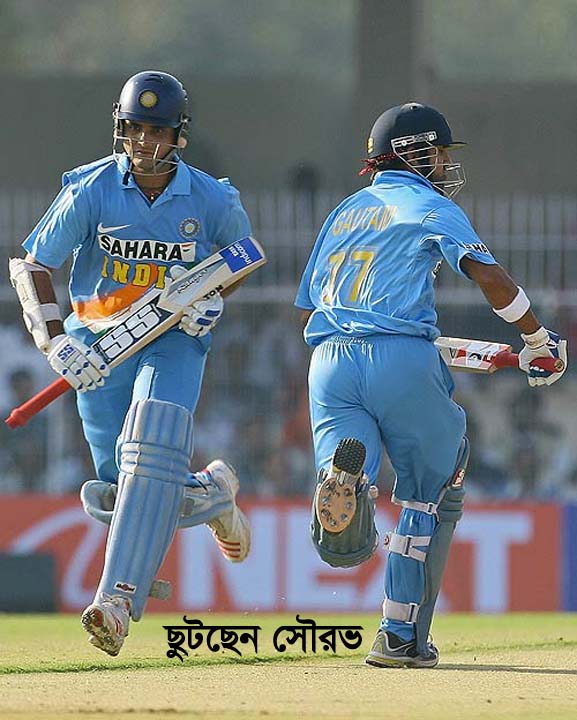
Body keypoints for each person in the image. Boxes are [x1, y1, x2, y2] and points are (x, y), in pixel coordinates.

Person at [295, 102, 567, 668]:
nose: (444, 163)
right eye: (438, 151)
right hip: (400, 357)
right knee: (431, 488)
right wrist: (536, 337)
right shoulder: (429, 205)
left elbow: (307, 311)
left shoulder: (344, 211)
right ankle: (400, 635)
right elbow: (489, 276)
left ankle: (348, 481)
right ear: (413, 153)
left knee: (351, 511)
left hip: (328, 360)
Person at [9, 70, 254, 656]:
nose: (145, 142)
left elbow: (241, 258)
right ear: (120, 128)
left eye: (157, 131)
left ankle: (115, 603)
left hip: (174, 341)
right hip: (97, 347)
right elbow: (32, 265)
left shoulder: (211, 198)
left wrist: (213, 298)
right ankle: (210, 493)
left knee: (151, 445)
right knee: (122, 490)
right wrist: (54, 343)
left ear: (178, 136)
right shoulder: (91, 188)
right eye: (135, 129)